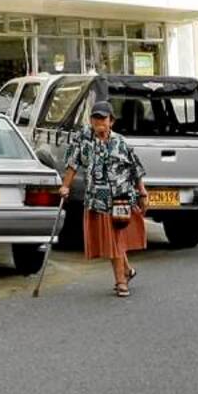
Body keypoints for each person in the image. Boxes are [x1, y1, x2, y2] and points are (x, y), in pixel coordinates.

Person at [59, 101, 148, 298]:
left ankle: (121, 282)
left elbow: (136, 168)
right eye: (95, 118)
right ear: (90, 120)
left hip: (121, 199)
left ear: (111, 121)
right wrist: (65, 186)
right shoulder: (83, 140)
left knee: (114, 239)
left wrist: (142, 192)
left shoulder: (121, 142)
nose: (99, 122)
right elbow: (72, 165)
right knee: (113, 239)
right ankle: (126, 270)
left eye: (103, 118)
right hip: (97, 200)